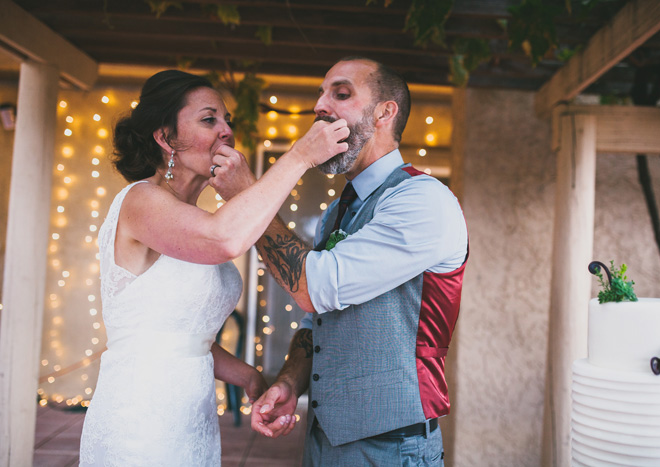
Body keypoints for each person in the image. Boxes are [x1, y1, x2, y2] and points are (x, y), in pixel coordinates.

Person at [78, 69, 349, 466]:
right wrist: (300, 156)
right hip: (140, 413)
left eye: (228, 121)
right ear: (166, 138)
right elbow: (225, 238)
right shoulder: (141, 201)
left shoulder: (189, 217)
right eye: (209, 120)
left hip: (193, 417)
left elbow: (181, 334)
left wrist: (249, 377)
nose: (226, 131)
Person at [211, 57, 468, 466]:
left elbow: (315, 288)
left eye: (341, 94)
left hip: (390, 447)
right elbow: (319, 323)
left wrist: (250, 194)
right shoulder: (338, 211)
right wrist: (291, 381)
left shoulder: (424, 200)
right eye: (321, 94)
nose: (320, 106)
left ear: (385, 112)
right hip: (323, 437)